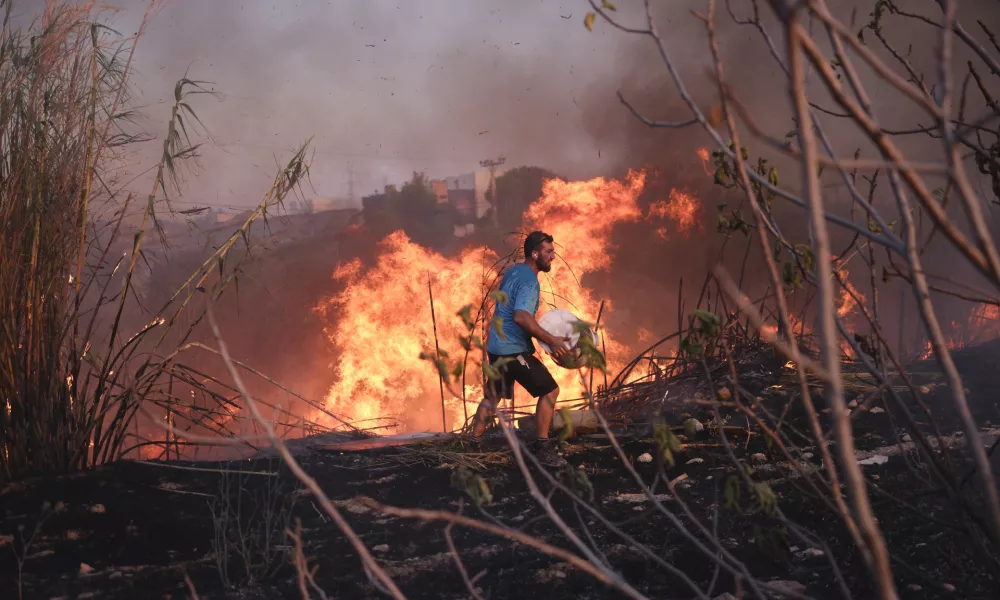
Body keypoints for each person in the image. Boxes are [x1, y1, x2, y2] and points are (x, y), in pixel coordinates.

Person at [471, 231, 571, 466]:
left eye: (553, 252)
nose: (552, 257)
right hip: (511, 349)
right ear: (534, 254)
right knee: (550, 391)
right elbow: (521, 317)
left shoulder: (513, 271)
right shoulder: (529, 280)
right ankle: (543, 447)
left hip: (496, 344)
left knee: (492, 396)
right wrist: (552, 340)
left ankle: (473, 443)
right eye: (548, 252)